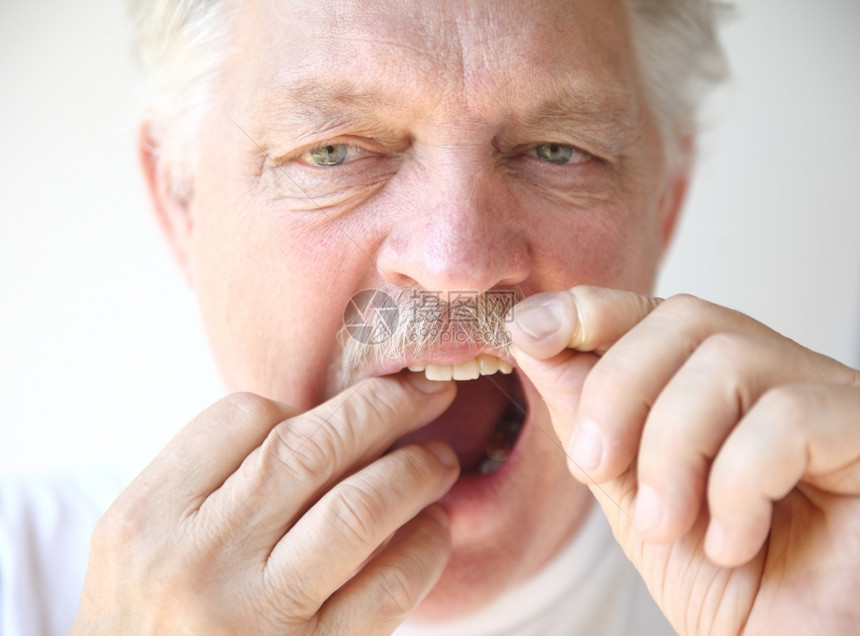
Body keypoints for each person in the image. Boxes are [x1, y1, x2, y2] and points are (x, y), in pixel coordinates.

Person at [54, 0, 859, 633]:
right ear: (182, 203)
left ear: (664, 206)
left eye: (557, 150)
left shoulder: (813, 576)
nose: (457, 261)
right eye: (334, 151)